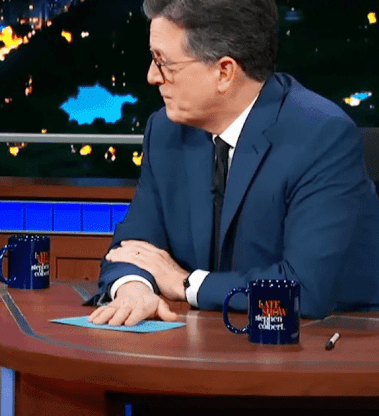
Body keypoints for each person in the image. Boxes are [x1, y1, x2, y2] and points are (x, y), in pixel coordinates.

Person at [88, 0, 379, 326]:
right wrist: (134, 289)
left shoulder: (321, 137)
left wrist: (187, 284)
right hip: (204, 340)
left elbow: (305, 288)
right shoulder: (167, 131)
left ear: (224, 72)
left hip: (324, 342)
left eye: (164, 62)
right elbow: (132, 247)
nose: (152, 76)